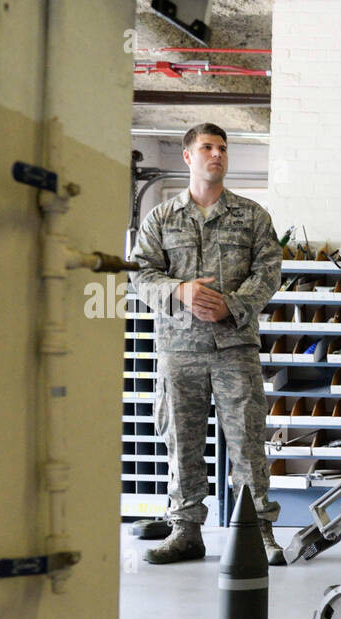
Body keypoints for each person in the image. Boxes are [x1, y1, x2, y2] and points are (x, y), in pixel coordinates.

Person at [130, 123, 285, 565]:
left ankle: (258, 535)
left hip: (235, 347)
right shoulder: (162, 216)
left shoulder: (252, 215)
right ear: (188, 157)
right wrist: (180, 291)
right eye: (207, 148)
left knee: (248, 444)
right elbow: (141, 272)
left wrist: (232, 306)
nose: (216, 154)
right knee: (181, 441)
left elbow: (268, 271)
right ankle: (186, 531)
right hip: (179, 349)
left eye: (222, 148)